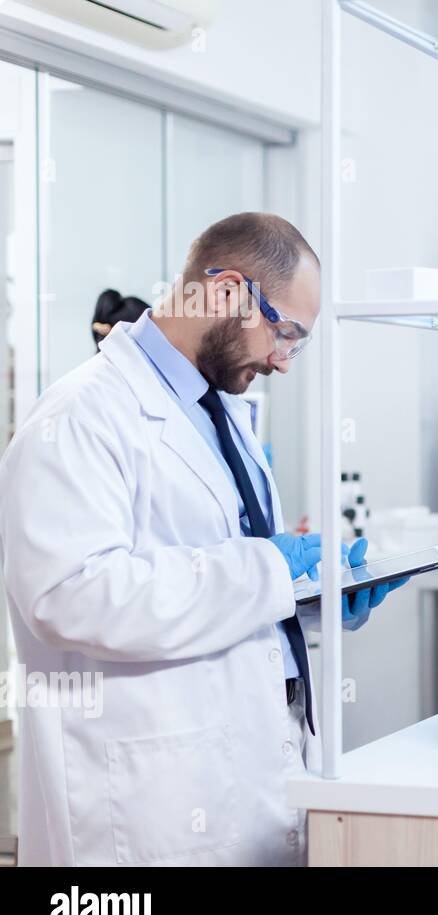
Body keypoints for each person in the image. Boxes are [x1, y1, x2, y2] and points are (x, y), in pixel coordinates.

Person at [0, 212, 404, 866]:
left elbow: (216, 586)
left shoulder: (219, 413)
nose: (283, 360)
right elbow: (70, 596)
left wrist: (304, 596)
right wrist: (268, 569)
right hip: (145, 803)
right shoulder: (80, 419)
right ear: (223, 292)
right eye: (284, 332)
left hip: (242, 778)